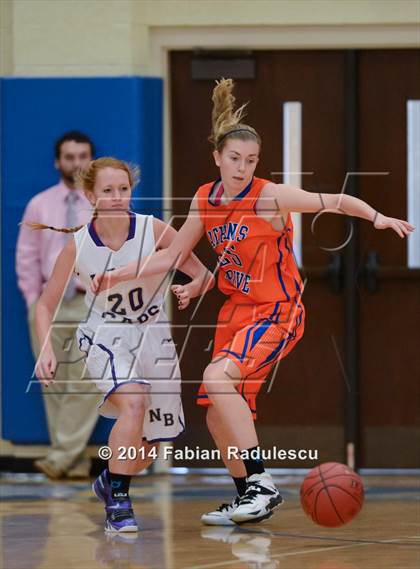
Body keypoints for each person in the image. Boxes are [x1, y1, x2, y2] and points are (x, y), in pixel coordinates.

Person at [90, 79, 414, 526]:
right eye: (235, 159)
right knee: (218, 411)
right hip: (236, 312)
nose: (243, 168)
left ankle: (261, 481)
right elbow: (171, 255)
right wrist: (116, 274)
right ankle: (248, 497)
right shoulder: (205, 199)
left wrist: (377, 217)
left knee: (216, 378)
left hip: (278, 311)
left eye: (251, 160)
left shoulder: (268, 196)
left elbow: (334, 200)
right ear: (218, 158)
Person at [32, 156, 214, 532]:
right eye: (108, 190)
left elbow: (203, 274)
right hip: (104, 334)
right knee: (133, 402)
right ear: (90, 195)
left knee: (148, 446)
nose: (117, 197)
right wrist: (47, 349)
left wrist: (191, 288)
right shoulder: (78, 245)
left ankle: (110, 482)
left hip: (154, 337)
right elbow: (45, 303)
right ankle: (119, 502)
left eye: (123, 189)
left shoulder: (155, 230)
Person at [16, 130, 100, 479]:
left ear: (91, 160)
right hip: (49, 303)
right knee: (53, 382)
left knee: (87, 380)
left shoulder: (101, 203)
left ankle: (61, 456)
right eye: (69, 156)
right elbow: (27, 256)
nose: (76, 162)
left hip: (87, 301)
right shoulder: (40, 204)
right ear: (58, 161)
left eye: (83, 156)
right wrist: (34, 301)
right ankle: (73, 462)